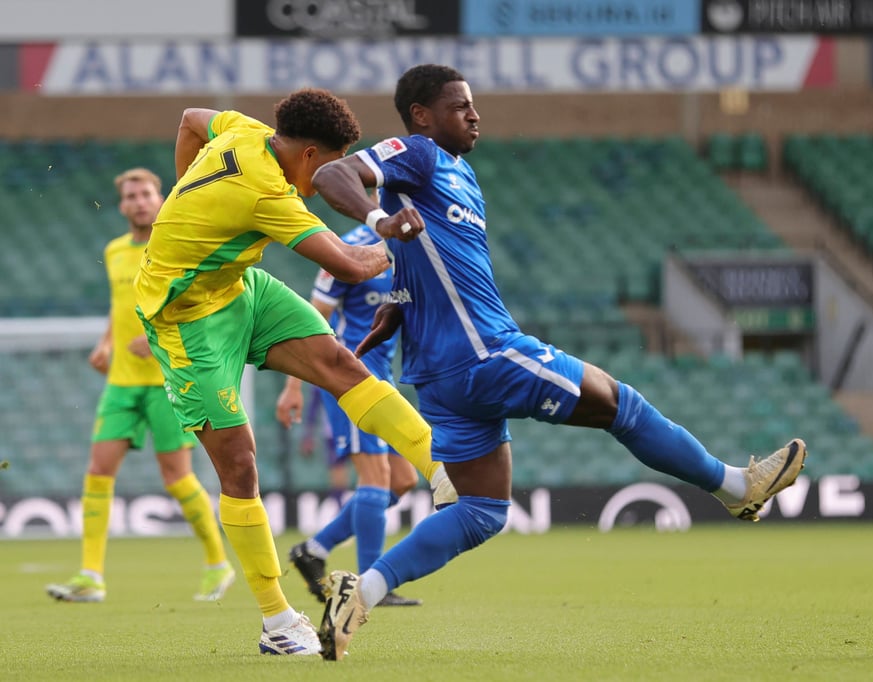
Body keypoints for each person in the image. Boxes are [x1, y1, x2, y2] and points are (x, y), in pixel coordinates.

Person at [308, 64, 809, 660]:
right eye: (459, 105)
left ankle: (358, 592)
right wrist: (377, 220)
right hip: (485, 353)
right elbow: (331, 173)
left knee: (484, 511)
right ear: (421, 114)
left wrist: (399, 300)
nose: (475, 114)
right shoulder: (416, 153)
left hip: (443, 372)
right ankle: (734, 488)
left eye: (474, 105)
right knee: (620, 404)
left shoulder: (462, 176)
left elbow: (433, 262)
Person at [132, 89, 454, 656]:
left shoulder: (243, 129)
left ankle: (441, 468)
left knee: (339, 363)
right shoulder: (265, 194)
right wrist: (401, 244)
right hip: (184, 316)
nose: (328, 181)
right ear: (309, 155)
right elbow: (353, 266)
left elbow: (190, 119)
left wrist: (185, 198)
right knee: (239, 465)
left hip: (237, 288)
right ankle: (277, 623)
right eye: (329, 167)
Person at [45, 168, 235, 604]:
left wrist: (159, 340)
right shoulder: (113, 251)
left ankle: (217, 563)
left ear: (161, 197)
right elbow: (123, 306)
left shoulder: (174, 246)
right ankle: (91, 576)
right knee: (97, 471)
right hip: (121, 384)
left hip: (167, 380)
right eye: (130, 196)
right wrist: (106, 341)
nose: (138, 202)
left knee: (176, 477)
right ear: (121, 206)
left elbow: (203, 303)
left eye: (145, 194)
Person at [277, 223, 423, 608]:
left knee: (403, 480)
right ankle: (371, 585)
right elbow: (308, 322)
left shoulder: (415, 248)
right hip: (352, 382)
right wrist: (293, 387)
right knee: (375, 478)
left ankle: (314, 549)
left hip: (384, 379)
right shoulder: (347, 249)